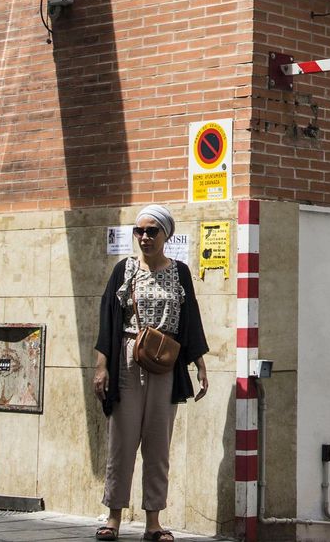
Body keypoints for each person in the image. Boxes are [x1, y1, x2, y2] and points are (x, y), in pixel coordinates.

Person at [92, 205, 210, 542]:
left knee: (158, 445)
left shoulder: (180, 272)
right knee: (122, 440)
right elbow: (107, 320)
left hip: (166, 363)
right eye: (139, 231)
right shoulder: (123, 270)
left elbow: (191, 320)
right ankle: (113, 517)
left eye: (152, 231)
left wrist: (200, 364)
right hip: (128, 358)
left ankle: (153, 522)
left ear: (166, 235)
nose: (145, 237)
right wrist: (101, 366)